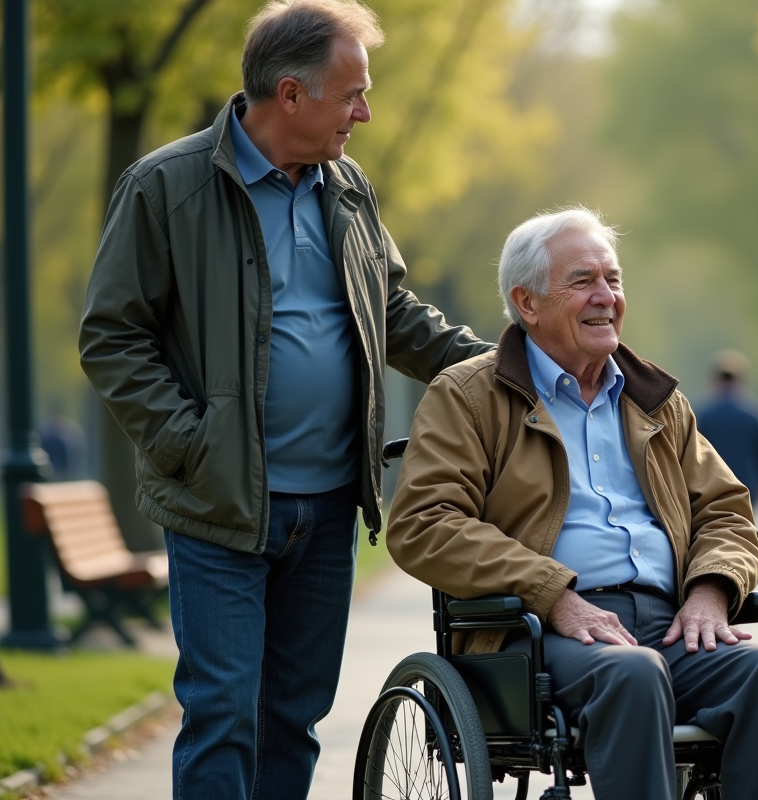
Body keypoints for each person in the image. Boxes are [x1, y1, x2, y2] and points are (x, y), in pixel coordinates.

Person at [77, 2, 491, 797]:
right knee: (223, 714)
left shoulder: (348, 188)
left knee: (292, 719)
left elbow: (393, 315)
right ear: (292, 95)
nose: (365, 113)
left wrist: (507, 365)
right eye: (352, 95)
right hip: (222, 504)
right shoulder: (166, 187)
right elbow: (111, 336)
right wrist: (187, 442)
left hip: (330, 503)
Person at [388, 208, 758, 800]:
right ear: (527, 302)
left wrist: (711, 591)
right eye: (583, 280)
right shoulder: (466, 395)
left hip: (668, 627)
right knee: (633, 675)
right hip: (537, 632)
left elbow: (725, 510)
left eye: (613, 280)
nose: (606, 297)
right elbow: (423, 524)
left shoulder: (657, 401)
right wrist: (553, 594)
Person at [696, 350, 758, 504]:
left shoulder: (702, 415)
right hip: (747, 483)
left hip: (713, 484)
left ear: (715, 381)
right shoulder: (757, 414)